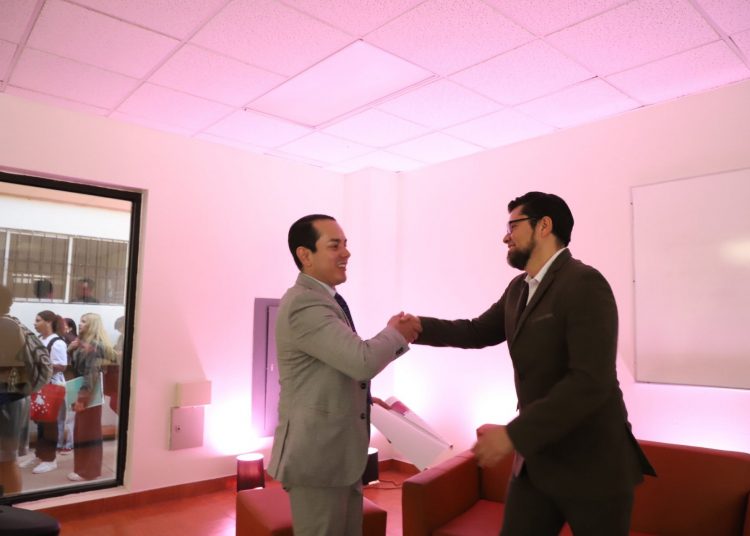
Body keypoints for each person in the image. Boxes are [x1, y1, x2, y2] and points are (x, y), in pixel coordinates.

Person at [414, 192, 655, 535]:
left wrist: (513, 434)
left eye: (513, 225)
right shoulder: (518, 289)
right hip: (537, 463)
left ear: (544, 226)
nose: (505, 237)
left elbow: (590, 381)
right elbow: (476, 331)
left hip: (594, 465)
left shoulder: (584, 283)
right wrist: (418, 327)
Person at [268, 214, 421, 536]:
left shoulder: (325, 300)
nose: (346, 253)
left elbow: (335, 367)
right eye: (334, 245)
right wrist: (396, 333)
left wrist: (364, 398)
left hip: (337, 456)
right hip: (317, 458)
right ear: (305, 255)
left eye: (346, 244)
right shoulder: (305, 304)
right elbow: (361, 361)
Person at [0, 285, 52, 495]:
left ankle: (10, 507)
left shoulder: (5, 326)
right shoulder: (12, 323)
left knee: (6, 461)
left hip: (7, 402)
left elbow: (8, 369)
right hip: (12, 399)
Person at [18, 311, 67, 475]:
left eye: (38, 320)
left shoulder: (57, 342)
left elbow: (61, 366)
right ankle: (40, 454)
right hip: (40, 386)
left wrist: (38, 367)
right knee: (40, 422)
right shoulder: (40, 339)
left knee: (49, 424)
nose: (34, 323)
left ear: (48, 322)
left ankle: (50, 459)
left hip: (52, 387)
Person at [67, 312, 113, 481]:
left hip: (88, 393)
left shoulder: (94, 346)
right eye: (80, 320)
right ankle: (83, 469)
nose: (80, 323)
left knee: (87, 432)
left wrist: (82, 399)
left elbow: (90, 375)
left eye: (84, 321)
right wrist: (70, 350)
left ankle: (88, 471)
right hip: (85, 392)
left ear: (92, 325)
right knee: (83, 431)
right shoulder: (84, 344)